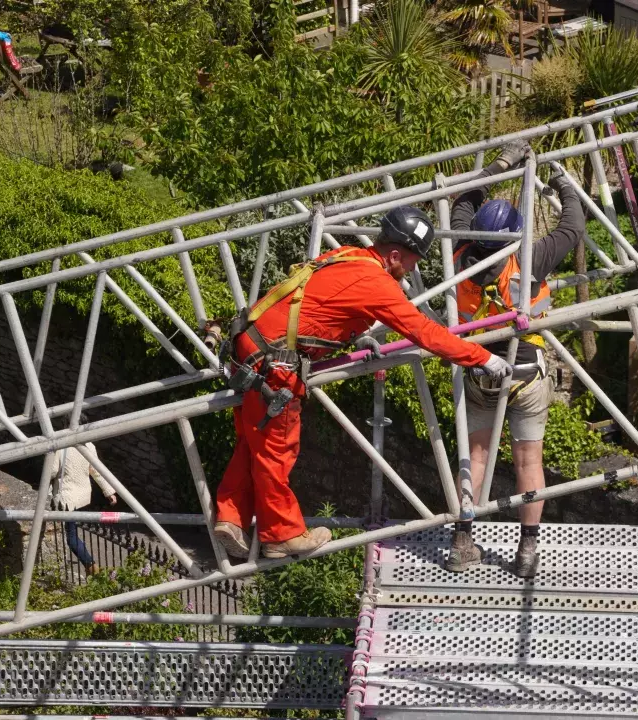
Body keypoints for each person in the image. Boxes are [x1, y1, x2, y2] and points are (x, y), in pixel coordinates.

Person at [213, 205, 511, 560]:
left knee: (253, 441)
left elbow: (325, 303)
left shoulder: (348, 254)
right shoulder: (378, 284)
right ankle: (281, 535)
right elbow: (423, 331)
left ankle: (231, 517)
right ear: (397, 255)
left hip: (249, 347)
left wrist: (354, 336)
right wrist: (482, 358)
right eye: (413, 262)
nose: (413, 270)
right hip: (275, 365)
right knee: (277, 449)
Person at [443, 142, 585, 578]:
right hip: (525, 374)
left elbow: (464, 200)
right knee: (528, 461)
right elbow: (573, 225)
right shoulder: (528, 260)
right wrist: (560, 180)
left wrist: (501, 164)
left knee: (476, 456)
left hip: (480, 370)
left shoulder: (459, 253)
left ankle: (463, 540)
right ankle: (526, 552)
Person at [50, 442, 117, 576]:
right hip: (83, 497)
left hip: (68, 498)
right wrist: (109, 492)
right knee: (73, 532)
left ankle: (91, 566)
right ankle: (90, 566)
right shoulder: (89, 446)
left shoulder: (60, 447)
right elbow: (96, 471)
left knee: (71, 538)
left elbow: (51, 472)